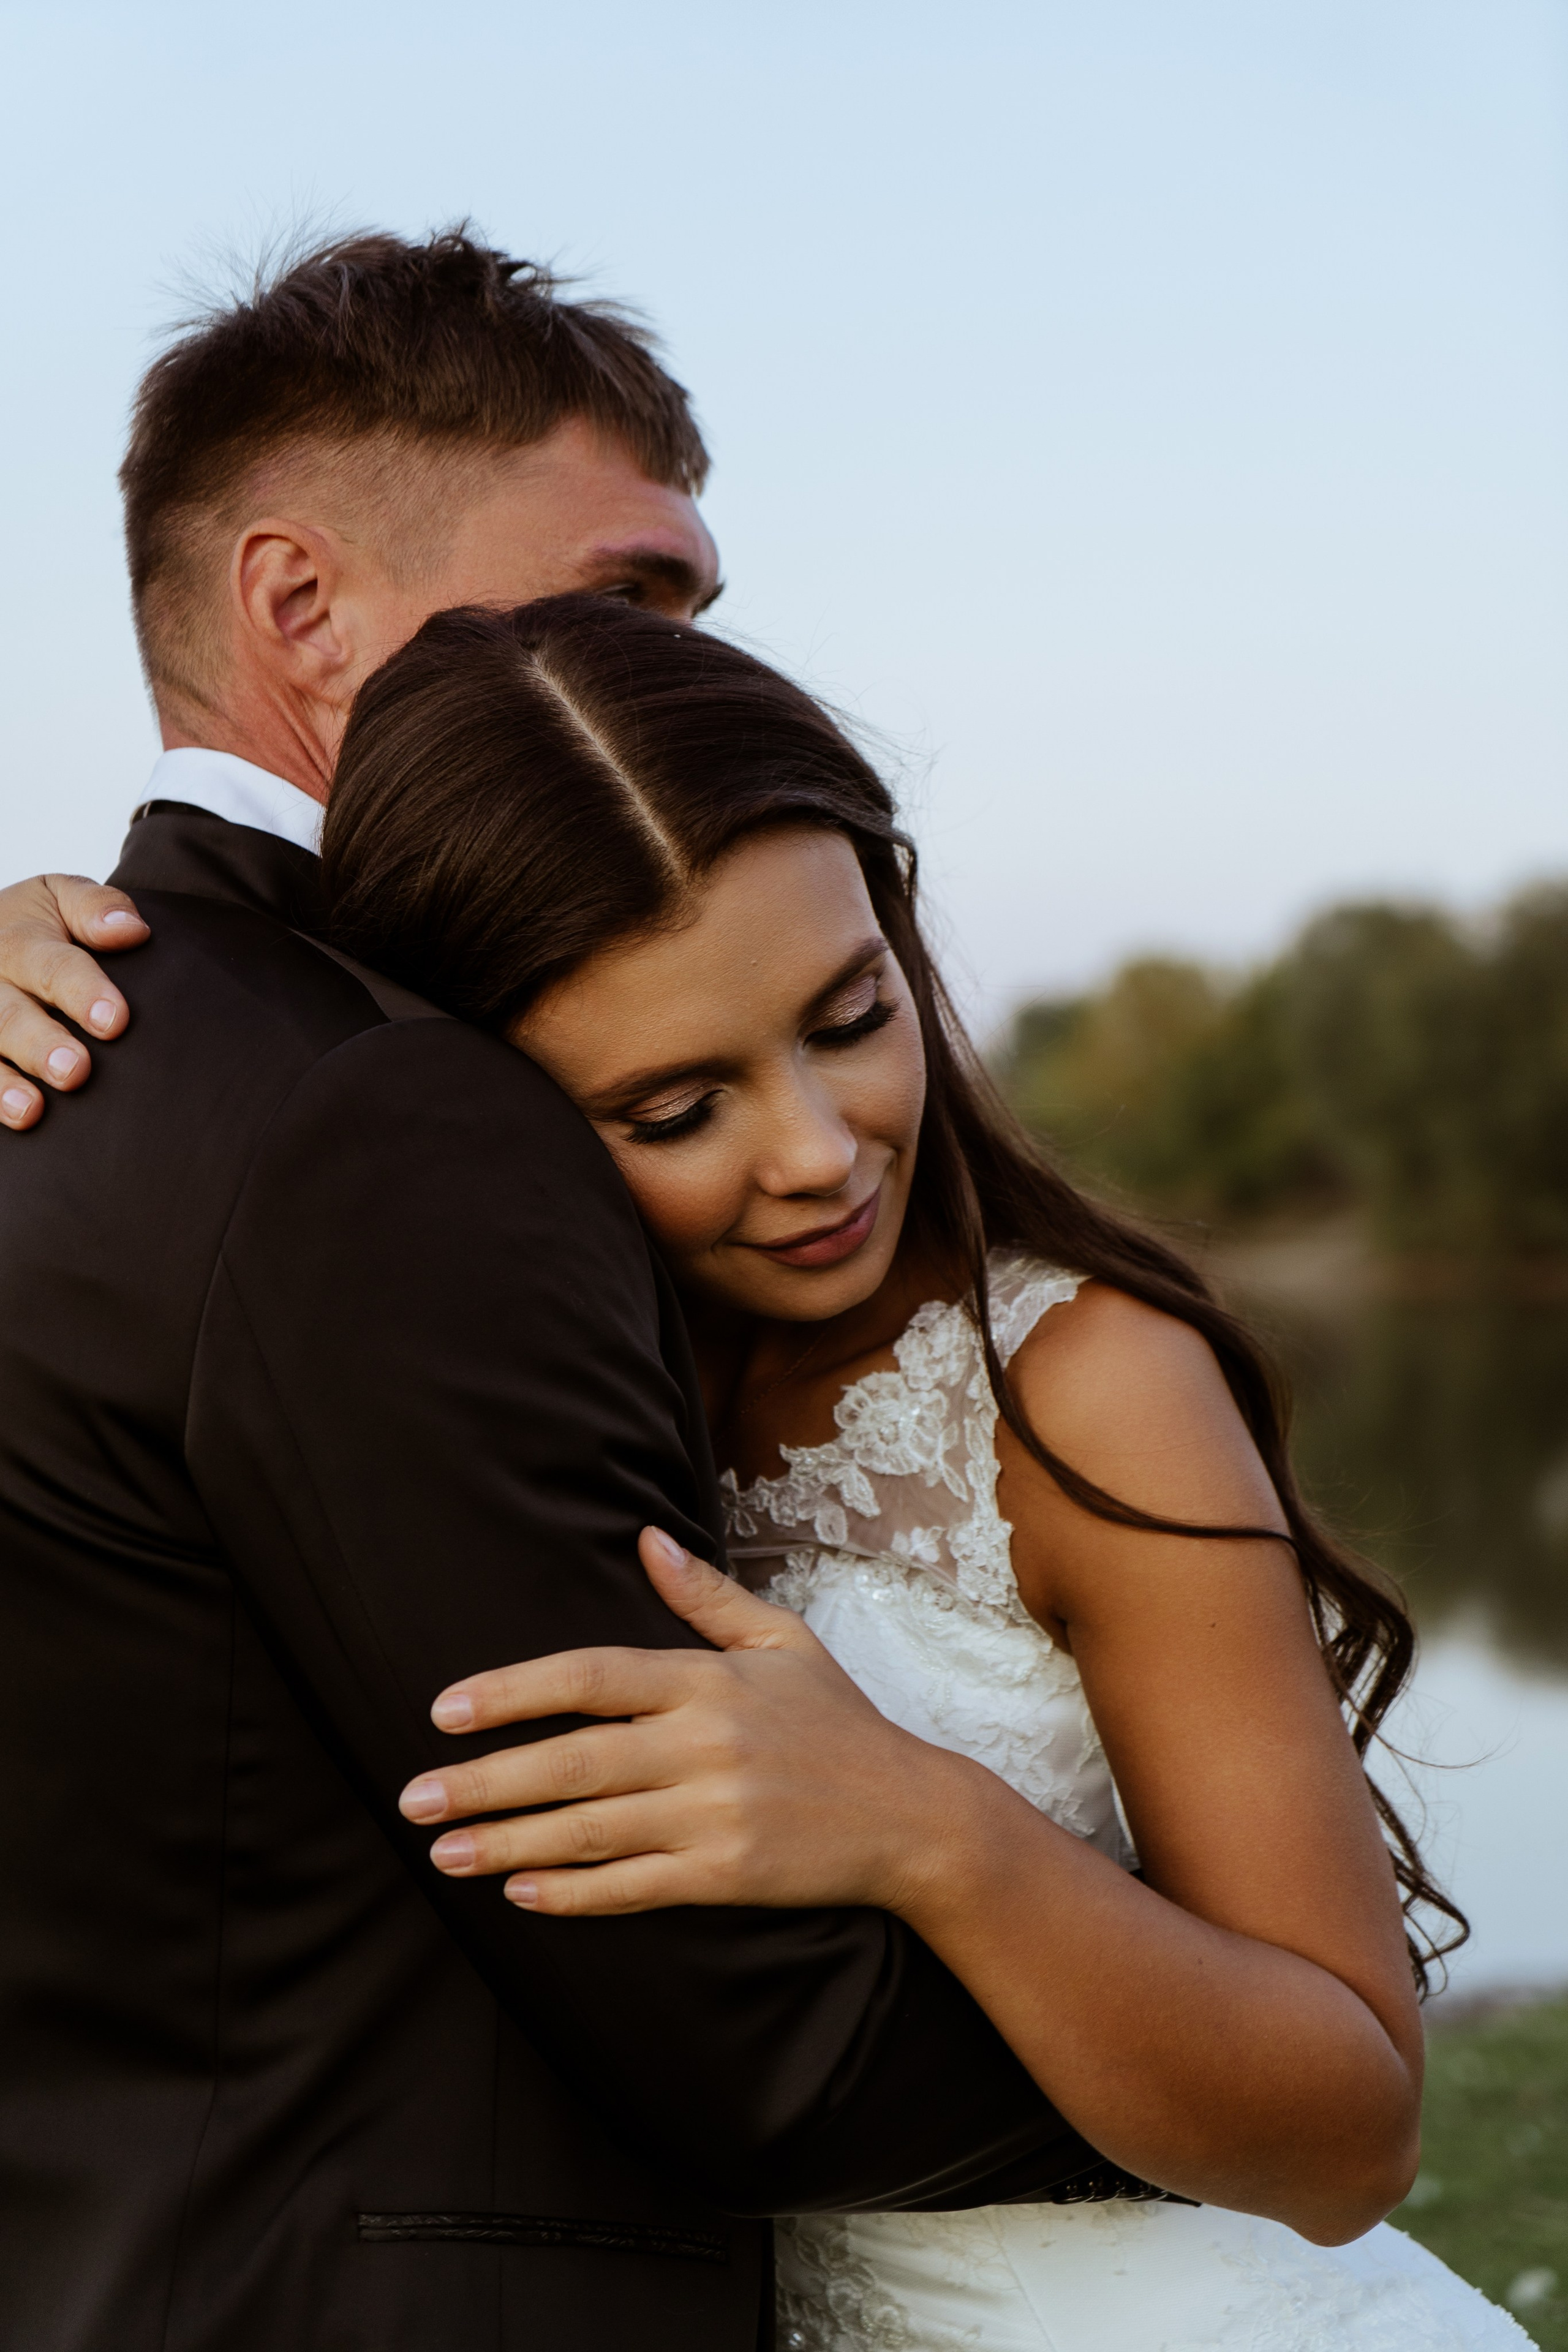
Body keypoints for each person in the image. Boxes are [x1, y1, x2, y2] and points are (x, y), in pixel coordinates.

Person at [0, 233, 1113, 2352]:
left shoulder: (99, 1058)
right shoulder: (369, 1114)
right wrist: (1251, 2065)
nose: (691, 676)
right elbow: (734, 2021)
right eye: (622, 601)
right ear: (298, 610)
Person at [296, 590, 1521, 2352]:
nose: (816, 1152)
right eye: (675, 1110)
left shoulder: (1087, 1386)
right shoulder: (504, 1412)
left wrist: (929, 1830)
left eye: (851, 1013)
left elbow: (1353, 2135)